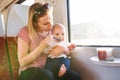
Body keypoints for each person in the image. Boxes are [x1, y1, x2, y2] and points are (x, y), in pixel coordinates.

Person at [17, 2, 81, 80]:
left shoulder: (53, 31)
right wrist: (41, 47)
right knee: (47, 76)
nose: (50, 26)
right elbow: (22, 62)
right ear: (35, 23)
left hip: (50, 66)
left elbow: (65, 46)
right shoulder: (25, 32)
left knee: (75, 77)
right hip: (30, 69)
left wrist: (64, 49)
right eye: (45, 24)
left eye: (51, 20)